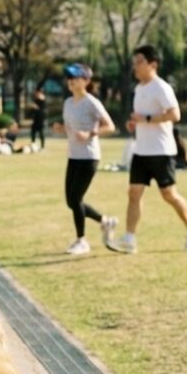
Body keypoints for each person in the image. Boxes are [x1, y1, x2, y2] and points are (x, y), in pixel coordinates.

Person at [105, 45, 187, 255]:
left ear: (153, 65)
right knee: (133, 193)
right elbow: (142, 116)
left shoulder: (161, 87)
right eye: (135, 62)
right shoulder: (139, 89)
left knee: (169, 195)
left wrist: (148, 119)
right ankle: (130, 238)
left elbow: (175, 115)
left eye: (139, 62)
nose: (135, 66)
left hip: (162, 150)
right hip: (141, 150)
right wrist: (135, 123)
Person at [52, 63, 117, 255]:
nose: (70, 81)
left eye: (74, 78)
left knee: (75, 198)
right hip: (73, 156)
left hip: (89, 156)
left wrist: (89, 134)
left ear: (86, 81)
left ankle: (81, 241)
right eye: (69, 78)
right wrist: (61, 130)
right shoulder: (68, 103)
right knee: (71, 201)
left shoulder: (92, 103)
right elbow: (71, 130)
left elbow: (110, 126)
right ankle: (105, 221)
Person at [30, 85, 47, 150]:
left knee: (41, 132)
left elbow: (42, 109)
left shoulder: (42, 99)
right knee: (33, 131)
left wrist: (35, 107)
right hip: (36, 118)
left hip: (41, 118)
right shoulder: (36, 99)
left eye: (37, 93)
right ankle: (33, 144)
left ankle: (42, 146)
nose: (36, 94)